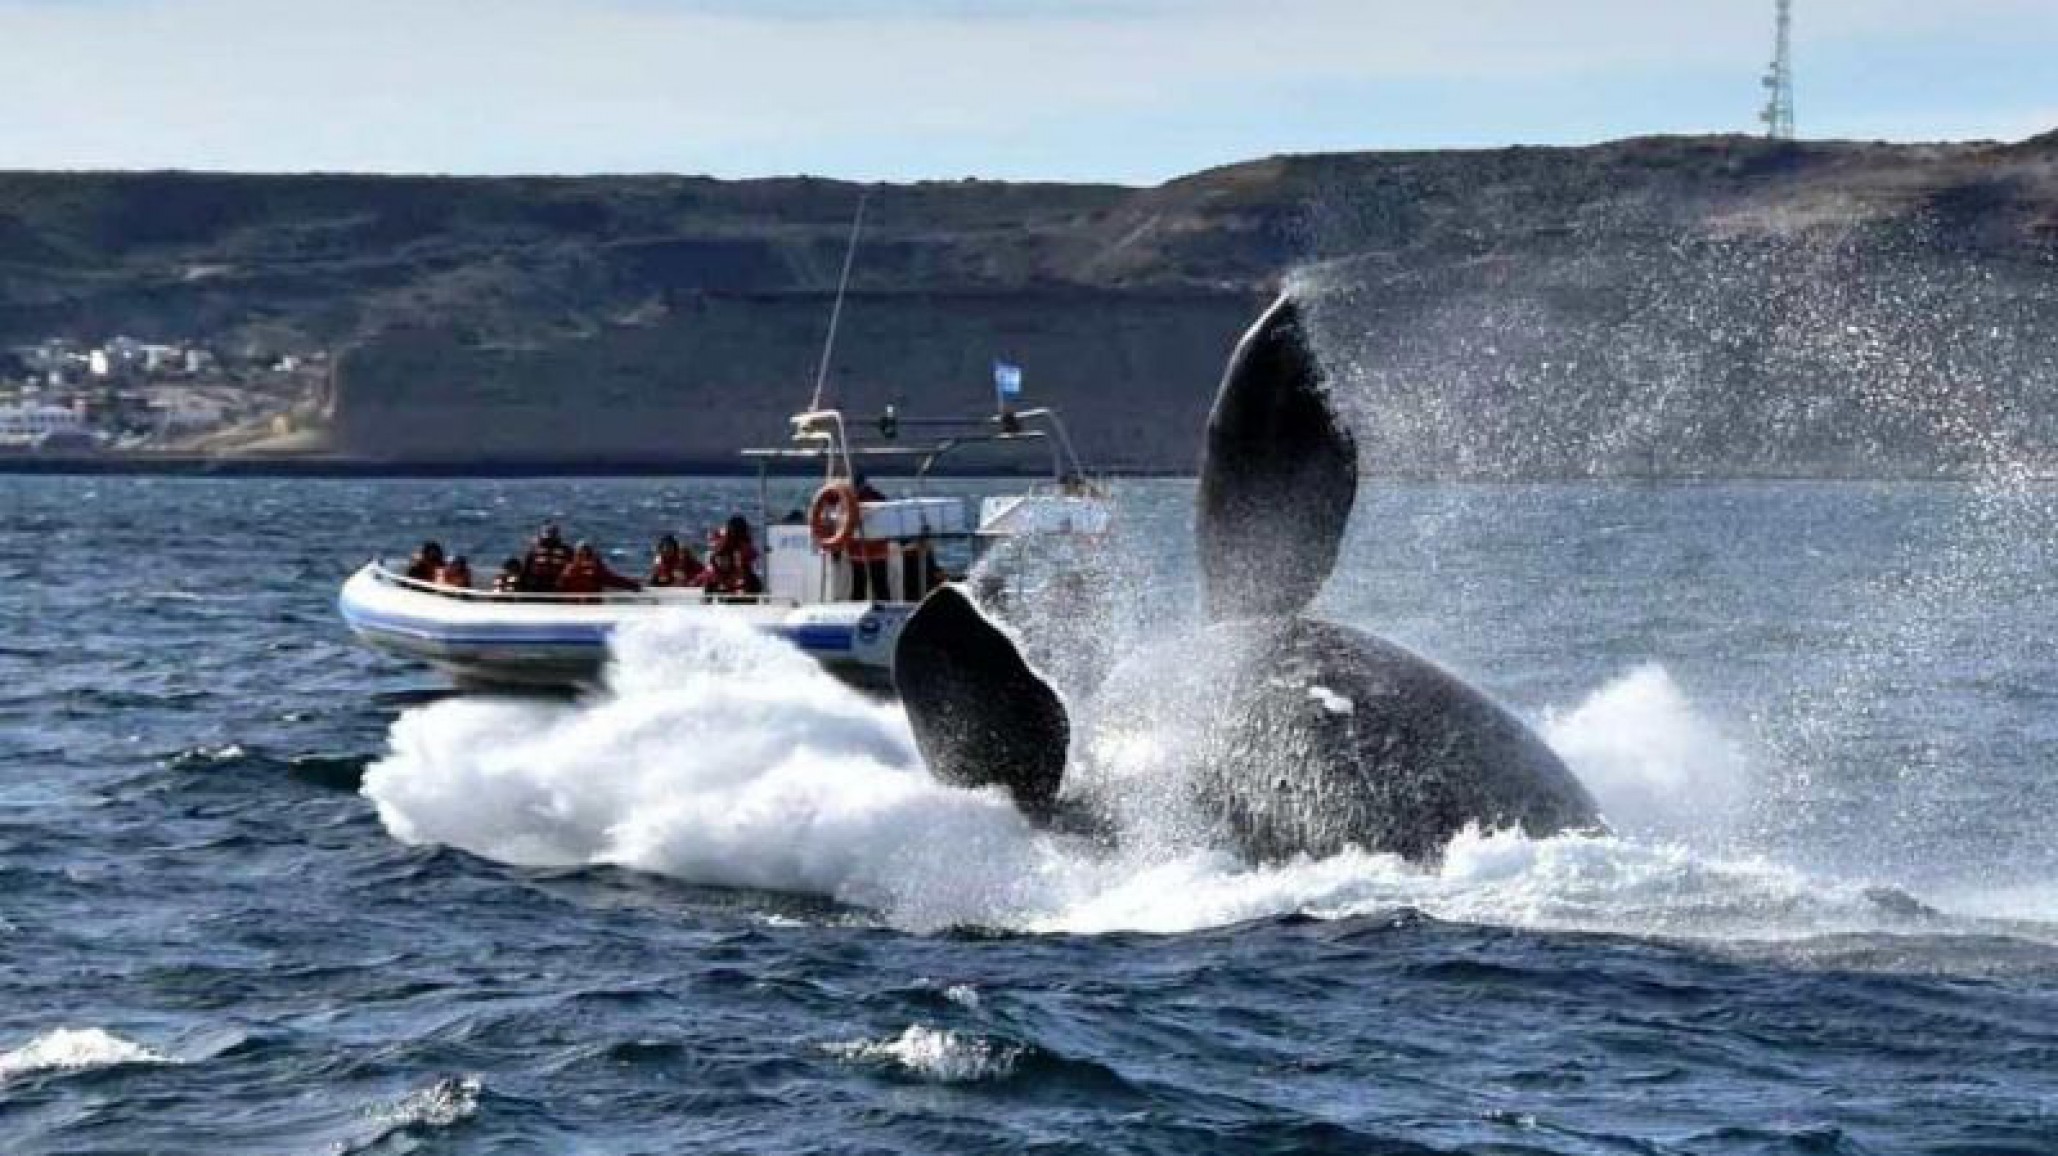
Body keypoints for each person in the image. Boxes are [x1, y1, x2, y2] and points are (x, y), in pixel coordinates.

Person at [847, 476, 892, 601]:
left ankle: (856, 610)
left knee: (859, 586)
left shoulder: (850, 500)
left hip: (859, 549)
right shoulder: (881, 497)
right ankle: (885, 610)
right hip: (876, 549)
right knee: (880, 586)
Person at [557, 541, 642, 595]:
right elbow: (560, 586)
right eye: (580, 554)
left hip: (591, 609)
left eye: (585, 554)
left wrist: (634, 585)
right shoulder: (569, 570)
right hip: (571, 608)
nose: (582, 557)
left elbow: (613, 580)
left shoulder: (595, 569)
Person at [523, 522, 572, 589]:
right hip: (536, 585)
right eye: (548, 535)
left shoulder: (566, 550)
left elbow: (571, 567)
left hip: (558, 587)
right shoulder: (534, 550)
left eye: (552, 535)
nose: (549, 539)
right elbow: (526, 569)